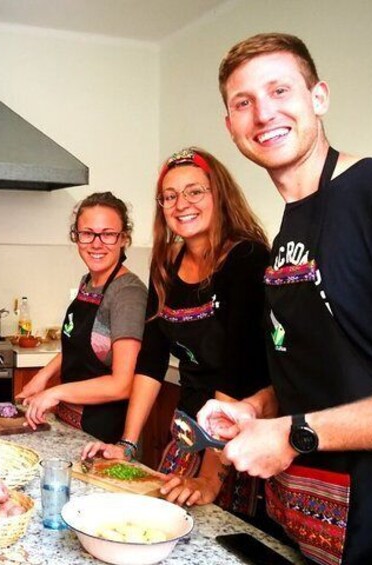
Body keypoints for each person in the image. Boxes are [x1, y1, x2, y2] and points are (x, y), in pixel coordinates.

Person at [198, 32, 372, 564]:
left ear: (318, 97)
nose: (263, 114)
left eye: (280, 91)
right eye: (243, 102)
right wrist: (257, 409)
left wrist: (296, 434)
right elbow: (321, 370)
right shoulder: (286, 236)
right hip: (318, 532)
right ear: (230, 126)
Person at [82, 148, 273, 513]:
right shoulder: (167, 262)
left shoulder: (247, 258)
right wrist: (128, 444)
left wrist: (209, 479)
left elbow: (238, 371)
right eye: (170, 196)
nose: (181, 203)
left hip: (238, 439)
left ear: (219, 194)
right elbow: (151, 361)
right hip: (187, 432)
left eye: (194, 191)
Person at [16, 192, 148, 444]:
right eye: (87, 233)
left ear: (124, 239)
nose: (96, 244)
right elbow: (81, 343)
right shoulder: (88, 282)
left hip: (102, 434)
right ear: (76, 237)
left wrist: (54, 392)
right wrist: (43, 376)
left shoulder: (127, 293)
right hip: (72, 424)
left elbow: (122, 383)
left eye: (108, 234)